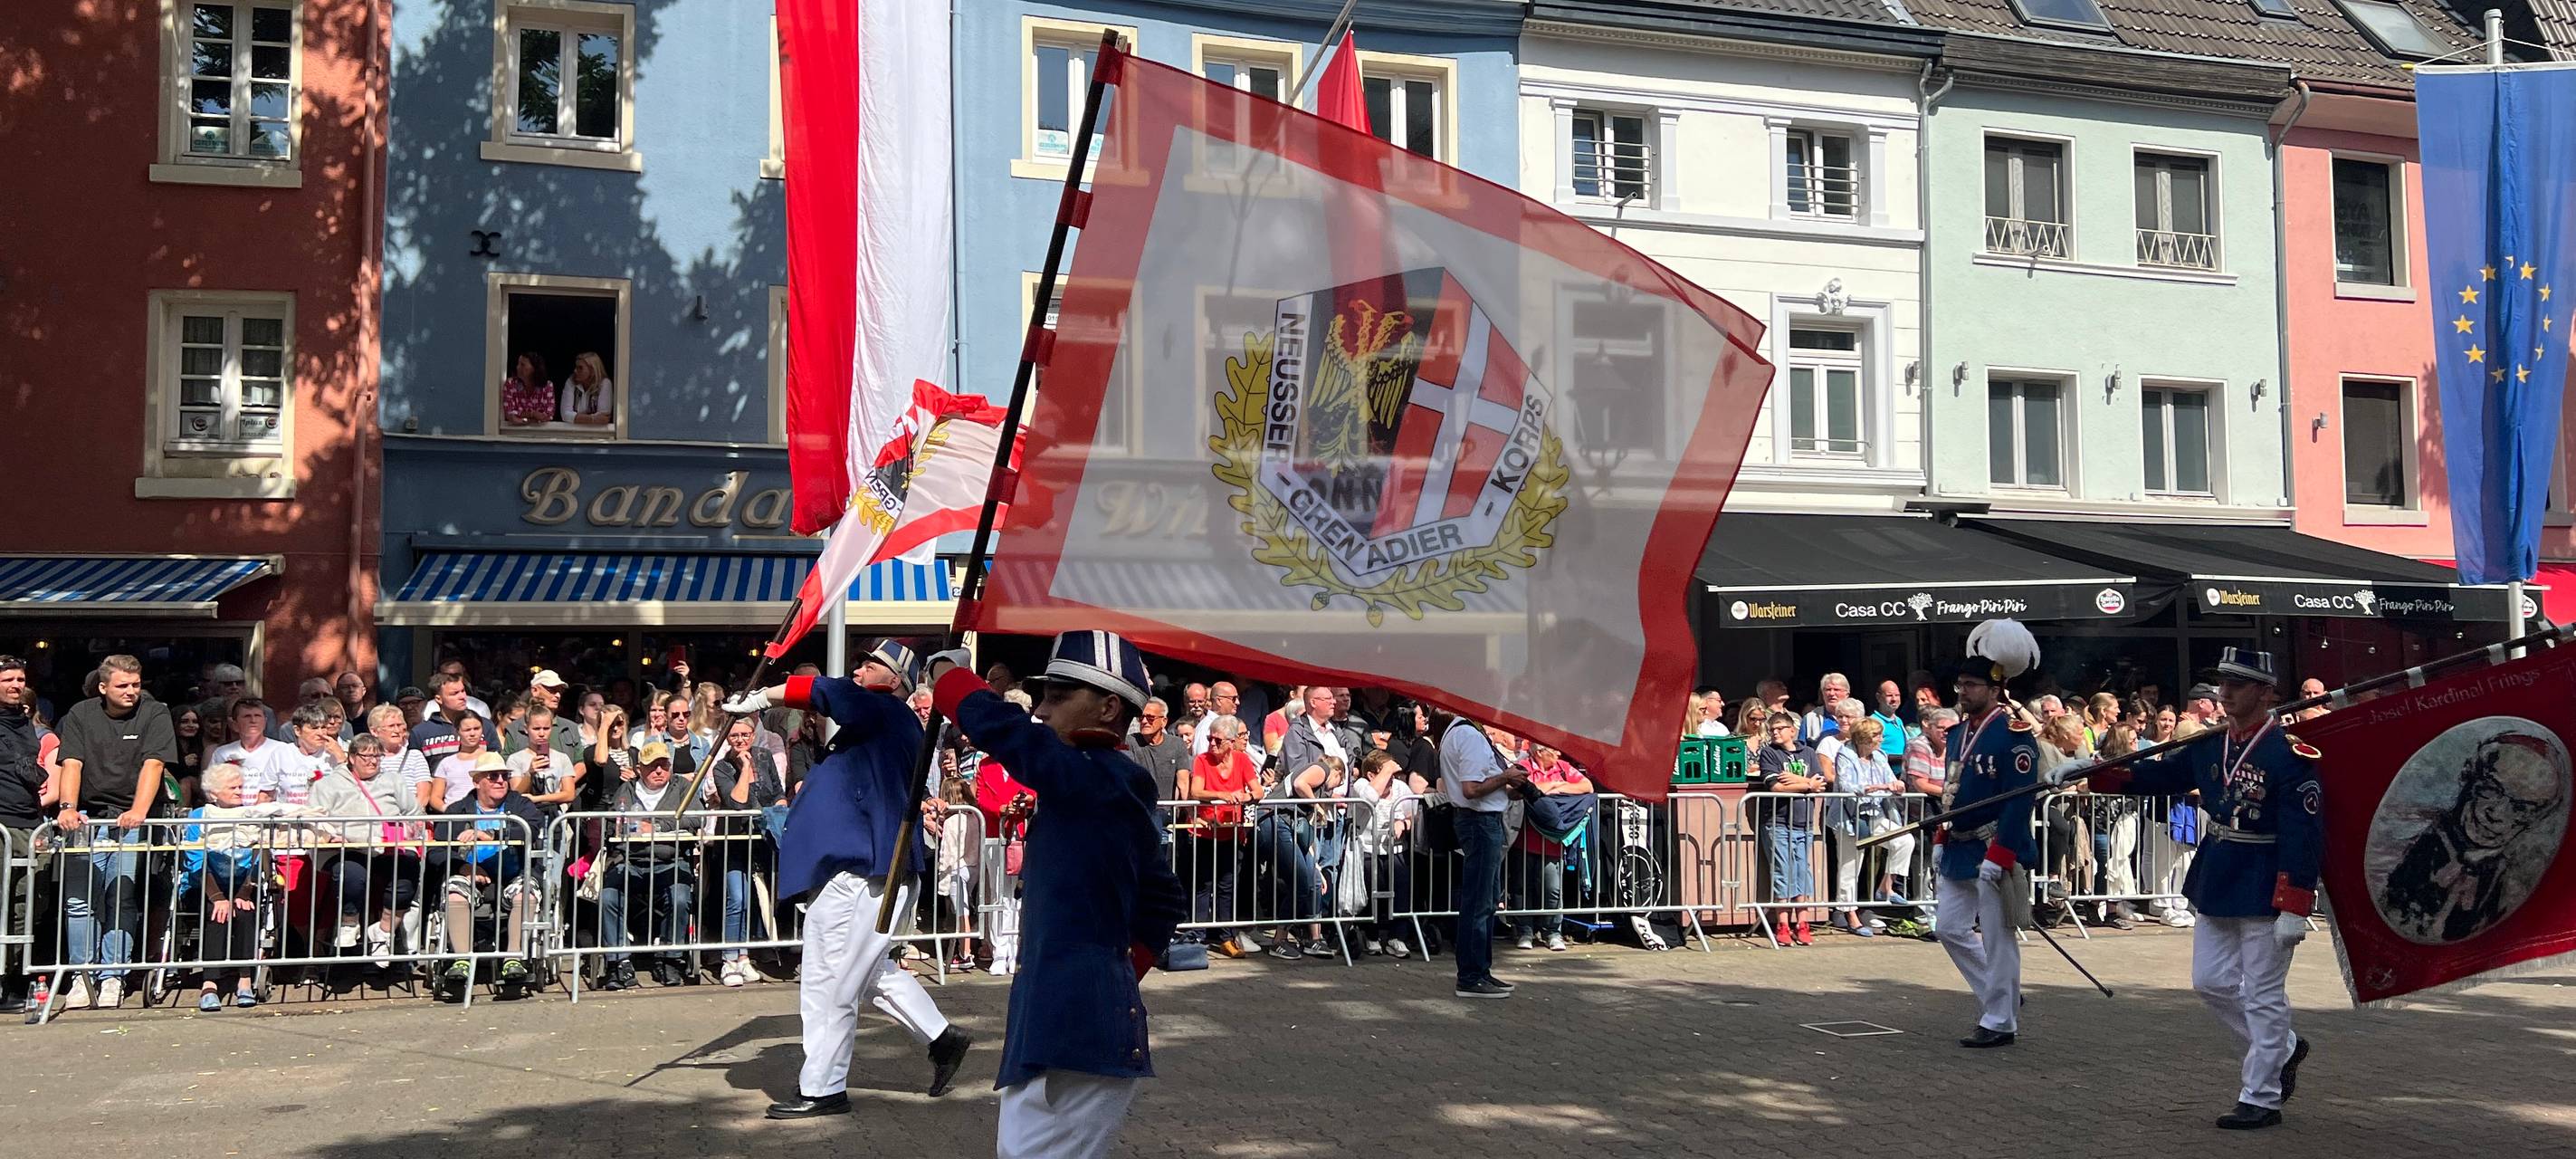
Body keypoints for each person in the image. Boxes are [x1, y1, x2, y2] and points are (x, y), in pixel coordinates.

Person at [924, 634, 1187, 1159]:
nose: (1042, 709)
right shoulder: (1087, 779)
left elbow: (1013, 736)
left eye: (1060, 695)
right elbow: (1163, 901)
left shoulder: (1104, 776)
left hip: (1079, 1025)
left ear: (1110, 706)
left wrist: (949, 678)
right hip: (1055, 1018)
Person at [2068, 647, 2321, 1130]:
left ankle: (2261, 1096)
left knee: (2265, 995)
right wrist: (2091, 773)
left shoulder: (2290, 754)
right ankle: (2284, 1047)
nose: (2224, 694)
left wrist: (2296, 901)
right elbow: (2157, 776)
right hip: (2219, 872)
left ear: (2265, 693)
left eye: (2237, 685)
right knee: (2210, 982)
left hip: (2267, 879)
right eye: (2222, 684)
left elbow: (2303, 831)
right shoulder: (2211, 745)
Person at [723, 642, 973, 1116]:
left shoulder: (884, 710)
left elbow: (826, 689)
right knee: (863, 973)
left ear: (896, 681)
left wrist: (762, 698)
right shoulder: (874, 722)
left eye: (871, 664)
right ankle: (943, 1038)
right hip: (856, 873)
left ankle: (823, 1088)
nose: (859, 669)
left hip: (866, 874)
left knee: (830, 983)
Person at [1934, 619, 2043, 1049]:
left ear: (1996, 689)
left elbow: (2020, 799)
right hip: (1960, 845)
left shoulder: (2013, 734)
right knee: (1948, 928)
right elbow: (1951, 793)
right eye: (1960, 683)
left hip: (1994, 845)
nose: (1963, 690)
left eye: (1972, 684)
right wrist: (1941, 840)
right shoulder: (1958, 733)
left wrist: (2002, 854)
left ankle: (2000, 1020)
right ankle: (2002, 996)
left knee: (1998, 938)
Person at [50, 655, 176, 1011]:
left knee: (120, 896)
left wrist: (138, 810)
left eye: (136, 685)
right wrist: (68, 807)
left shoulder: (155, 712)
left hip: (127, 817)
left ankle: (113, 976)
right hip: (87, 816)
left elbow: (154, 763)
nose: (132, 692)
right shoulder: (80, 714)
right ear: (103, 688)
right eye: (123, 686)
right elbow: (71, 763)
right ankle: (81, 976)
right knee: (79, 901)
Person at [182, 763, 307, 1011]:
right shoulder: (199, 816)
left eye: (241, 786)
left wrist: (244, 891)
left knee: (247, 911)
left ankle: (245, 980)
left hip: (242, 883)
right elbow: (195, 859)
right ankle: (210, 984)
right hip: (205, 884)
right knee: (217, 914)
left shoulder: (250, 815)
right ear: (214, 793)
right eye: (233, 787)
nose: (240, 791)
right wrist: (218, 897)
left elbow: (259, 855)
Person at [434, 753, 544, 1001]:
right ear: (477, 782)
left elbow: (533, 827)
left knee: (526, 893)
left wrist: (493, 833)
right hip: (471, 873)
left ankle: (514, 958)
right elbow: (436, 851)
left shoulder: (521, 805)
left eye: (504, 776)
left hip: (514, 872)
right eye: (492, 776)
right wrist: (463, 867)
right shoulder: (457, 810)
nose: (500, 781)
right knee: (454, 894)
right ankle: (461, 960)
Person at [310, 733, 423, 969]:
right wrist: (330, 834)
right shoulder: (327, 785)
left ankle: (383, 932)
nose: (372, 761)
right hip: (346, 847)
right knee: (352, 874)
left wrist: (412, 830)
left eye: (377, 757)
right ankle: (349, 922)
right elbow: (314, 819)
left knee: (409, 868)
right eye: (366, 756)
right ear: (351, 757)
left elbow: (415, 813)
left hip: (387, 846)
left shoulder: (393, 780)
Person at [1436, 705, 1525, 998]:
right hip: (1480, 822)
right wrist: (1506, 777)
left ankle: (1479, 971)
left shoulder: (1456, 732)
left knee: (1484, 899)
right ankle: (1472, 975)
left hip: (1476, 820)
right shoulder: (1470, 736)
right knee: (1479, 900)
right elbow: (1472, 788)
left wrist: (1508, 784)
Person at [601, 744, 704, 990]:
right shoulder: (626, 790)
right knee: (608, 897)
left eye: (664, 765)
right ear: (639, 769)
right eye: (652, 766)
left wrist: (656, 826)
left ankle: (670, 958)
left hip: (670, 861)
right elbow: (613, 823)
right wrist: (627, 826)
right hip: (630, 862)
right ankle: (618, 962)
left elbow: (697, 817)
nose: (659, 770)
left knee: (680, 898)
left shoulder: (681, 787)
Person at [705, 715, 785, 986]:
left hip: (761, 840)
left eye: (744, 735)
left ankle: (744, 956)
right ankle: (729, 959)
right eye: (734, 736)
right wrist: (743, 766)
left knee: (753, 900)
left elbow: (777, 792)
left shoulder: (764, 756)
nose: (740, 740)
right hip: (733, 840)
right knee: (736, 899)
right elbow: (737, 802)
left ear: (753, 736)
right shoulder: (722, 767)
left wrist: (779, 811)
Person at [1180, 715, 1258, 959]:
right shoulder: (1202, 760)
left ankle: (1226, 936)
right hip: (1205, 830)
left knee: (1227, 886)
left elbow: (1257, 790)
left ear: (1232, 742)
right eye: (1209, 738)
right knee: (1203, 885)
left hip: (1232, 830)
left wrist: (1243, 797)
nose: (1212, 744)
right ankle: (1198, 935)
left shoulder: (1243, 760)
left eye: (1218, 740)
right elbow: (1196, 791)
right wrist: (1225, 795)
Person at [1509, 742, 1591, 952]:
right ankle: (1524, 931)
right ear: (1539, 753)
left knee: (1553, 889)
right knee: (1522, 887)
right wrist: (1546, 788)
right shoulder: (1522, 767)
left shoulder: (1563, 767)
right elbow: (1515, 791)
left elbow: (1586, 786)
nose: (1558, 753)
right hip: (1525, 839)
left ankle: (1553, 931)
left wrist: (1556, 786)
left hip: (1553, 842)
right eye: (1552, 750)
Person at [1828, 717, 1905, 937]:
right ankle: (1850, 914)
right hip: (1848, 817)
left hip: (1875, 813)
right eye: (1877, 736)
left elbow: (1891, 779)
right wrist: (1880, 787)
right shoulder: (1845, 754)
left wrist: (1897, 785)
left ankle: (1885, 887)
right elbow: (1846, 785)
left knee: (1904, 841)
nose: (1881, 739)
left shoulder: (1880, 756)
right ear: (1865, 738)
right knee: (1850, 866)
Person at [1755, 711, 1825, 946]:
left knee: (1802, 872)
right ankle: (1782, 923)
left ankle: (1802, 923)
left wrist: (1796, 781)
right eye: (1772, 729)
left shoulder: (1808, 753)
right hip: (1778, 821)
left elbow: (1820, 782)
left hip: (1804, 822)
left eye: (1780, 728)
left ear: (1792, 731)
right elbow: (1775, 786)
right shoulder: (1769, 753)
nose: (1775, 732)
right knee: (1782, 872)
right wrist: (1807, 784)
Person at [0, 656, 43, 1011]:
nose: (15, 685)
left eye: (20, 679)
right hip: (2, 824)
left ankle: (13, 980)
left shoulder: (22, 720)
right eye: (7, 680)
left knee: (23, 906)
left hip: (27, 823)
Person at [1349, 749, 1417, 958]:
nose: (1393, 778)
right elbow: (1370, 797)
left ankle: (1398, 937)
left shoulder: (1401, 788)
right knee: (1372, 890)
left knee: (1400, 889)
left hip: (1395, 849)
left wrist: (1403, 823)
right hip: (1368, 847)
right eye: (1388, 772)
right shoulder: (1361, 785)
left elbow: (1412, 813)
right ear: (1372, 774)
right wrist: (1385, 771)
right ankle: (1372, 935)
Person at [209, 696, 295, 804]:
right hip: (234, 813)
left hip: (272, 815)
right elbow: (212, 790)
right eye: (247, 716)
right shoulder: (222, 753)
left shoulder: (283, 750)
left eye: (257, 716)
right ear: (234, 724)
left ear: (265, 721)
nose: (253, 721)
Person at [506, 706, 586, 813]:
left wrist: (538, 799)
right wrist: (529, 774)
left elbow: (569, 794)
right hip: (527, 817)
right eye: (536, 729)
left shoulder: (562, 758)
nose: (542, 734)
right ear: (526, 729)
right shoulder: (515, 759)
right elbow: (516, 794)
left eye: (546, 728)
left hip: (556, 817)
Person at [429, 714, 495, 809]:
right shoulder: (446, 763)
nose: (472, 734)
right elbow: (435, 797)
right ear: (457, 732)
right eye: (467, 730)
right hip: (455, 816)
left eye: (476, 728)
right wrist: (448, 811)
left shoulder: (492, 759)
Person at [501, 669, 571, 755]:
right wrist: (530, 768)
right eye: (552, 690)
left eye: (560, 691)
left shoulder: (570, 728)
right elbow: (509, 764)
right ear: (535, 691)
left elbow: (580, 762)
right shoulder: (514, 729)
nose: (558, 695)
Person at [501, 352, 557, 426]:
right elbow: (510, 414)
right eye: (518, 364)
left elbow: (548, 414)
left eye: (522, 365)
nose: (518, 367)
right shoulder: (511, 384)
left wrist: (522, 417)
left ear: (534, 368)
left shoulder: (547, 386)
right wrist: (533, 414)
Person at [562, 350, 615, 426]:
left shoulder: (604, 383)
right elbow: (565, 414)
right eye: (576, 367)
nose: (575, 371)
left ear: (592, 370)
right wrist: (593, 419)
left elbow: (603, 416)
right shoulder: (571, 381)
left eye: (580, 368)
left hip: (597, 433)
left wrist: (575, 417)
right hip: (573, 432)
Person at [1800, 673, 1852, 745]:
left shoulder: (1857, 718)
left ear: (1847, 694)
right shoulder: (1810, 718)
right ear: (1822, 694)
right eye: (1828, 690)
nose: (1831, 693)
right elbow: (1802, 750)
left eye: (1836, 689)